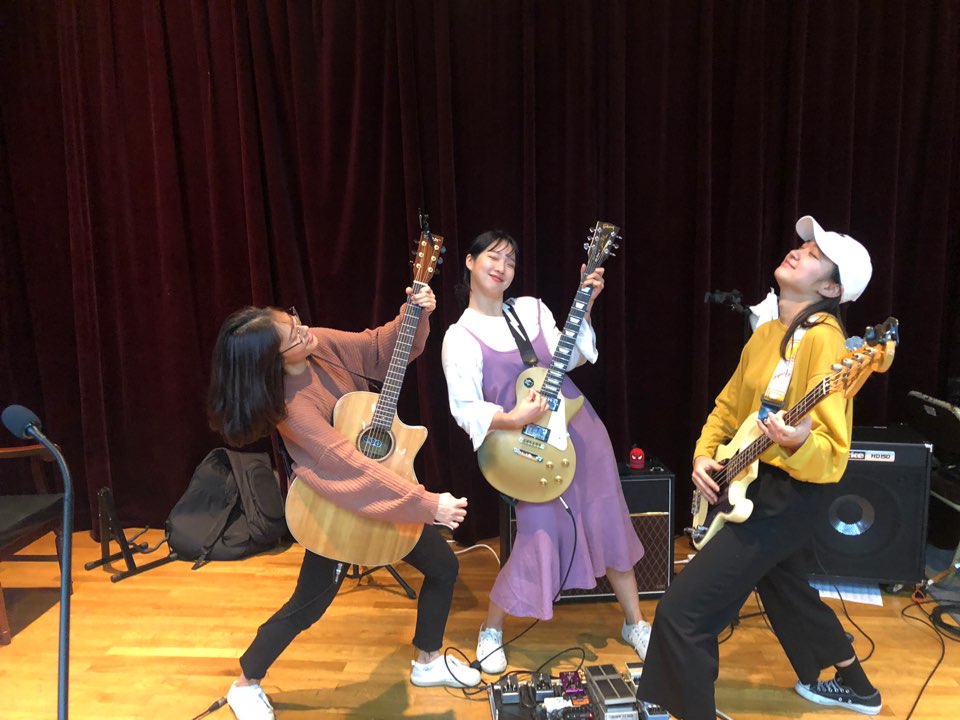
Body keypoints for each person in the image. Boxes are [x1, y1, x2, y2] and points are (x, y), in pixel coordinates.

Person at [636, 215, 882, 718]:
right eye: (803, 246)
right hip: (749, 482)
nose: (799, 251)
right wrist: (704, 454)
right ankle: (856, 686)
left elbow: (832, 456)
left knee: (683, 613)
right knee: (785, 585)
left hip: (786, 497)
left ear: (831, 289)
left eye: (815, 255)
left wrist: (799, 442)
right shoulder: (768, 332)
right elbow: (729, 408)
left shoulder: (826, 342)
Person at [207, 288, 481, 720]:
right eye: (293, 336)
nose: (304, 331)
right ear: (272, 362)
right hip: (334, 508)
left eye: (295, 321)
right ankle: (245, 683)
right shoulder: (291, 407)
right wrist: (427, 503)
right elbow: (347, 466)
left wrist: (414, 312)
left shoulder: (317, 344)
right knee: (309, 605)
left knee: (443, 567)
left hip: (379, 491)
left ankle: (428, 661)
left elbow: (377, 349)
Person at [440, 229, 651, 675]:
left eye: (510, 261)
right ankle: (492, 629)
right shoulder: (459, 336)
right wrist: (512, 418)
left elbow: (569, 358)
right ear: (470, 262)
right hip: (526, 451)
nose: (502, 267)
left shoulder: (531, 309)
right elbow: (465, 408)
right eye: (493, 257)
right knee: (536, 535)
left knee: (608, 520)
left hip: (581, 432)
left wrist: (586, 306)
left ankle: (636, 622)